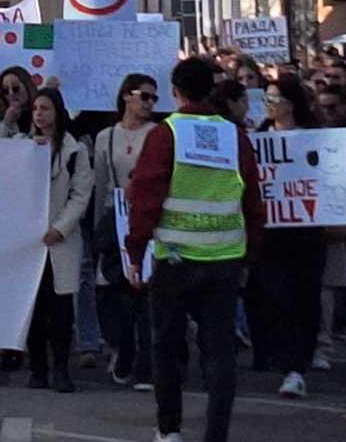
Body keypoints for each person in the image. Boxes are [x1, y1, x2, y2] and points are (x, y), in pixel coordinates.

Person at [125, 57, 266, 442]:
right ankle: (215, 434)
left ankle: (169, 429)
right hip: (224, 260)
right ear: (212, 90)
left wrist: (135, 251)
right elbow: (253, 198)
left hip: (174, 259)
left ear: (175, 92)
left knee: (167, 347)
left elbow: (146, 198)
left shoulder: (165, 133)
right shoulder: (234, 135)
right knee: (219, 354)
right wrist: (250, 253)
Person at [250, 74, 326, 399]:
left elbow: (329, 178)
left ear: (290, 105)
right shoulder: (257, 140)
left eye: (274, 99)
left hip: (307, 235)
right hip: (271, 235)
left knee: (305, 299)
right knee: (275, 299)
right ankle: (286, 360)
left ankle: (298, 366)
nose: (269, 104)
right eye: (266, 99)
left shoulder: (314, 139)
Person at [23, 88, 93, 393]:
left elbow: (80, 195)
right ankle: (37, 369)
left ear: (58, 112)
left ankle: (62, 369)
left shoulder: (74, 151)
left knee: (61, 310)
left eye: (46, 108)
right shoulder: (20, 147)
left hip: (61, 242)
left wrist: (60, 228)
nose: (39, 114)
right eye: (36, 108)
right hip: (29, 241)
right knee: (34, 310)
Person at [92, 73, 160, 390]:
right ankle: (124, 351)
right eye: (144, 96)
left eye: (153, 98)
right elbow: (101, 184)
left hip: (147, 217)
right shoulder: (106, 136)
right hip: (116, 216)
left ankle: (147, 362)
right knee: (118, 292)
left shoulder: (157, 133)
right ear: (126, 97)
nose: (149, 103)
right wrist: (98, 229)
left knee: (145, 290)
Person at [0, 66, 36, 138]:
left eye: (15, 88)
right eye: (5, 90)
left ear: (28, 87)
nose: (11, 93)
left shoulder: (41, 110)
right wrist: (6, 122)